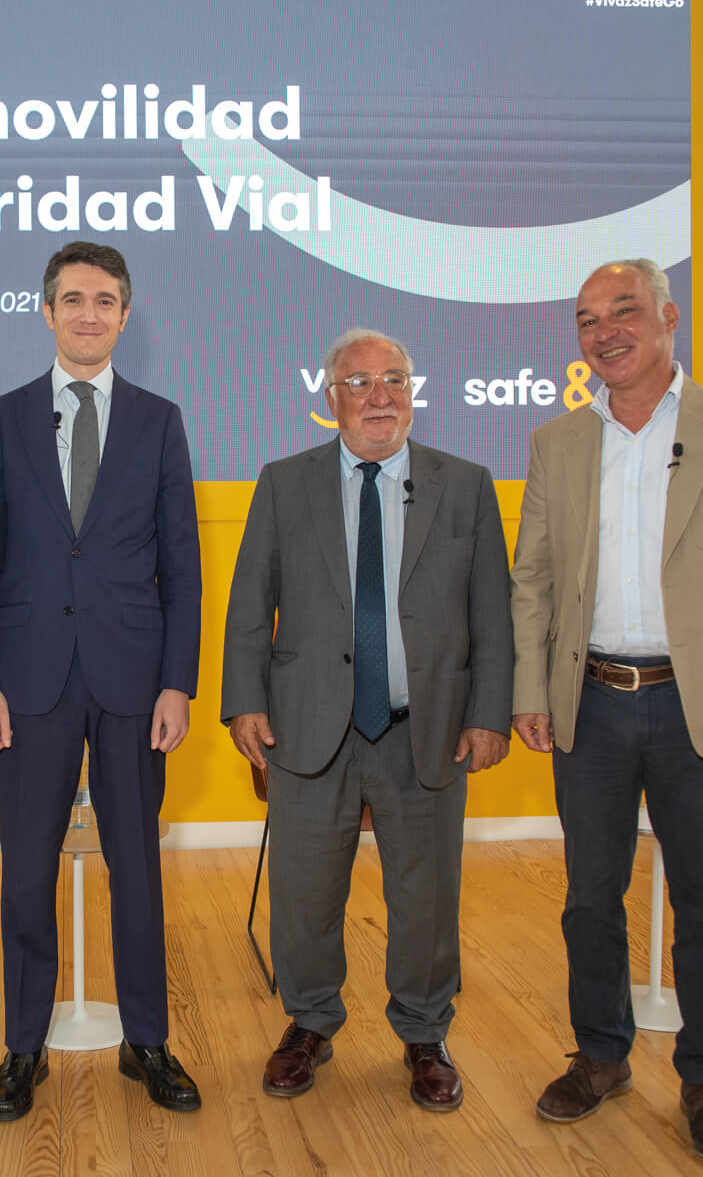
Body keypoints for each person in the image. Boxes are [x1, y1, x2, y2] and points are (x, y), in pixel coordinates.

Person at [510, 259, 703, 1168]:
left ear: (668, 318)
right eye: (586, 319)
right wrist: (530, 691)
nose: (604, 332)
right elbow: (532, 582)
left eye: (624, 311)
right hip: (593, 707)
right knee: (588, 898)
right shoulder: (557, 443)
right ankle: (601, 1056)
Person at [221, 327, 512, 1111]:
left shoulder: (466, 484)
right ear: (331, 398)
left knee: (427, 895)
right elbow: (250, 603)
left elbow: (493, 611)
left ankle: (424, 1033)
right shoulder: (285, 483)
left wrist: (490, 712)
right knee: (304, 890)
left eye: (394, 380)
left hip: (428, 727)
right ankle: (310, 1023)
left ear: (411, 393)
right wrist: (244, 701)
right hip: (307, 726)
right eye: (359, 382)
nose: (379, 396)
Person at [0, 240, 203, 1120]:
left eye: (105, 300)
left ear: (125, 315)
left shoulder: (160, 420)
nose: (89, 314)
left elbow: (182, 565)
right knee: (26, 873)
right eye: (73, 299)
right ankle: (22, 1049)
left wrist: (177, 683)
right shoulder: (4, 418)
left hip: (135, 681)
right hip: (28, 682)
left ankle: (148, 1042)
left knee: (136, 870)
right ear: (48, 311)